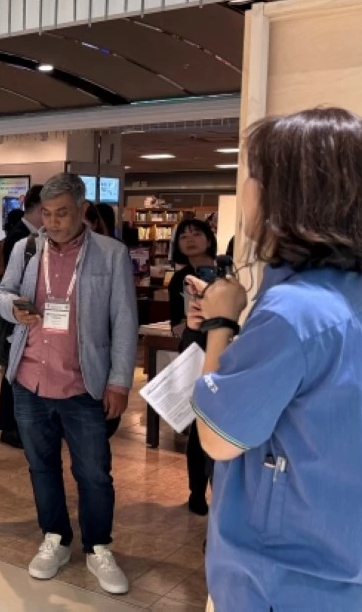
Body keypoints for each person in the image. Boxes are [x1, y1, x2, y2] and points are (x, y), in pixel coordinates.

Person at [187, 108, 362, 611]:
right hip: (353, 564)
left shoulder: (294, 312)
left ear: (283, 195)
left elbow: (217, 437)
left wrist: (221, 324)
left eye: (253, 174)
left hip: (284, 576)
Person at [0, 173, 137, 595]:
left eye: (62, 214)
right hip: (29, 379)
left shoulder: (110, 254)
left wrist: (119, 382)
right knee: (41, 466)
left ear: (81, 211)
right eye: (47, 214)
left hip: (83, 384)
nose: (53, 223)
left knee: (94, 473)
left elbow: (125, 322)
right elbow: (2, 292)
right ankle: (54, 538)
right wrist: (13, 308)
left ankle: (98, 547)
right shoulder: (26, 247)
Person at [166, 218, 218, 516]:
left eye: (196, 233)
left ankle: (221, 491)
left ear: (209, 238)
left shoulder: (229, 272)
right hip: (194, 356)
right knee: (197, 429)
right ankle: (197, 491)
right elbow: (175, 327)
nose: (189, 239)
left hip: (227, 356)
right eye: (183, 236)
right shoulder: (179, 279)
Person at [0, 184, 43, 449]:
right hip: (18, 310)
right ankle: (9, 425)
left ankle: (13, 424)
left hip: (26, 312)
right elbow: (11, 283)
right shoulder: (21, 238)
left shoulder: (30, 234)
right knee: (11, 367)